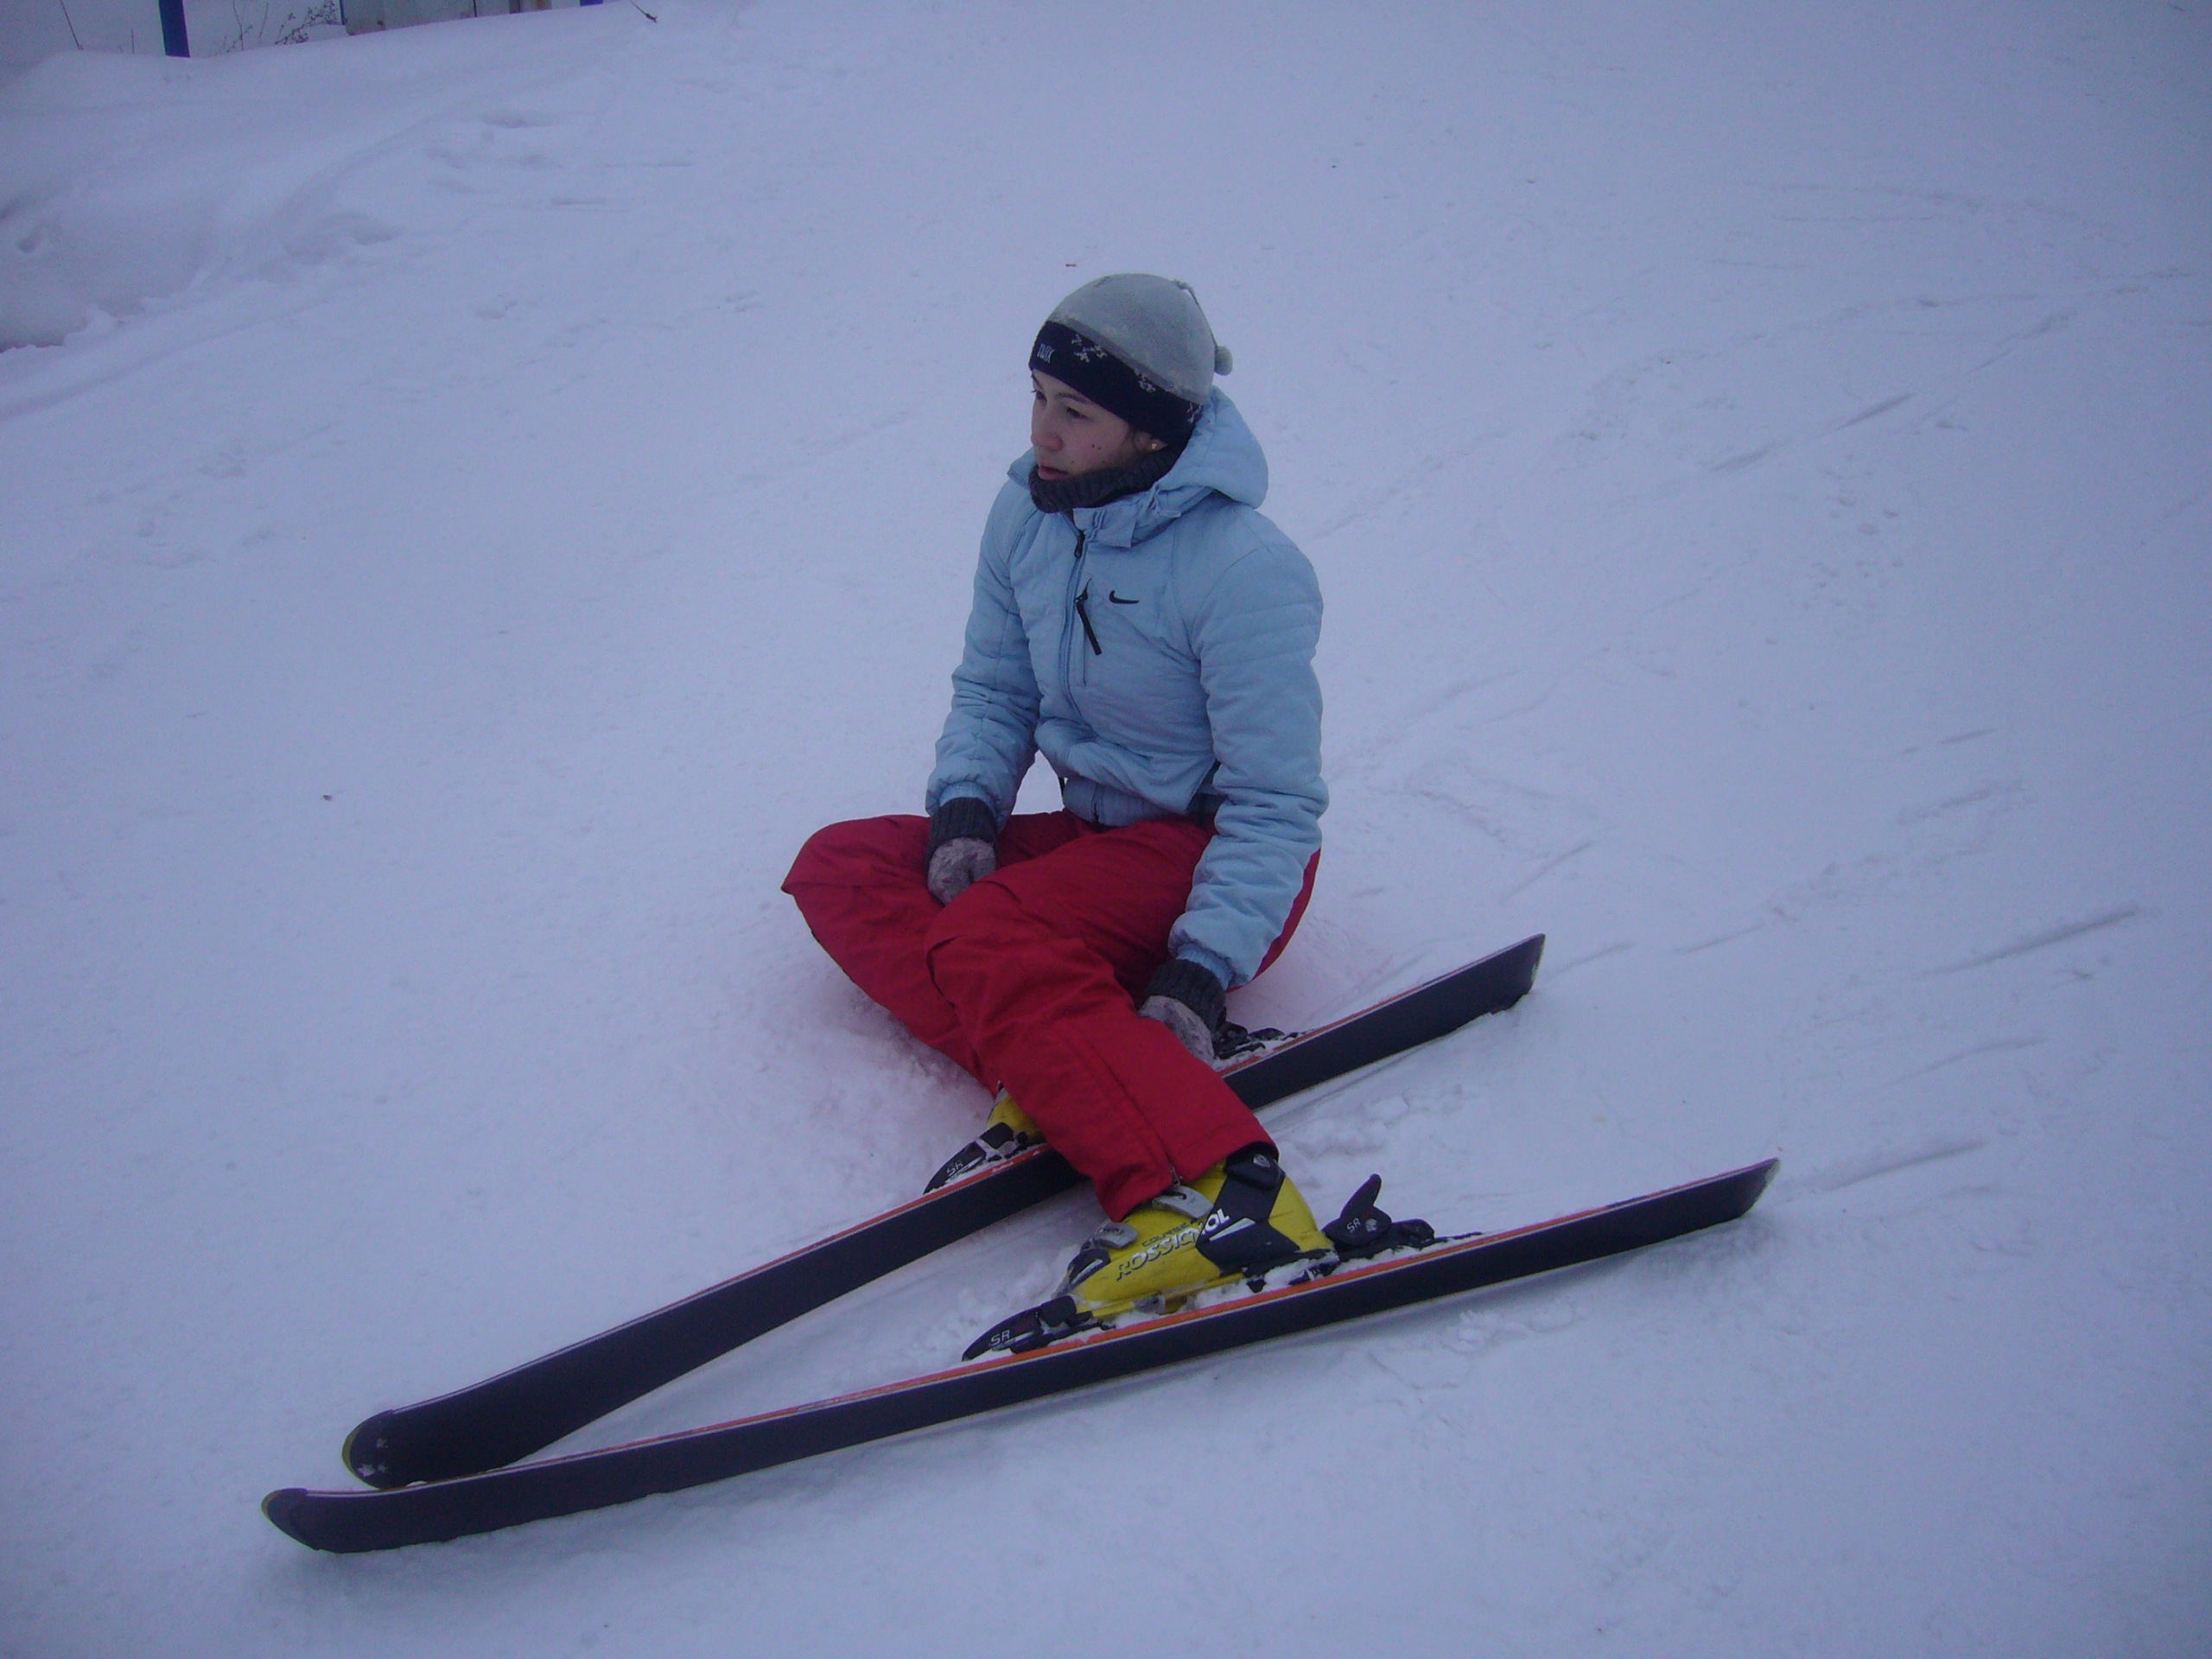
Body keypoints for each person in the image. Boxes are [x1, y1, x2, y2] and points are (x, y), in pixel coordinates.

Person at [783, 274, 1332, 1348]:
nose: (1043, 431)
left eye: (1075, 411)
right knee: (842, 867)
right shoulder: (1029, 515)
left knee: (990, 935)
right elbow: (994, 689)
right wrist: (967, 810)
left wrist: (1201, 966)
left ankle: (1220, 1195)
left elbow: (1274, 804)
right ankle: (1065, 1060)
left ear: (1150, 426)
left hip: (1212, 854)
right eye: (1037, 397)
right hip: (1095, 845)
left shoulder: (1244, 569)